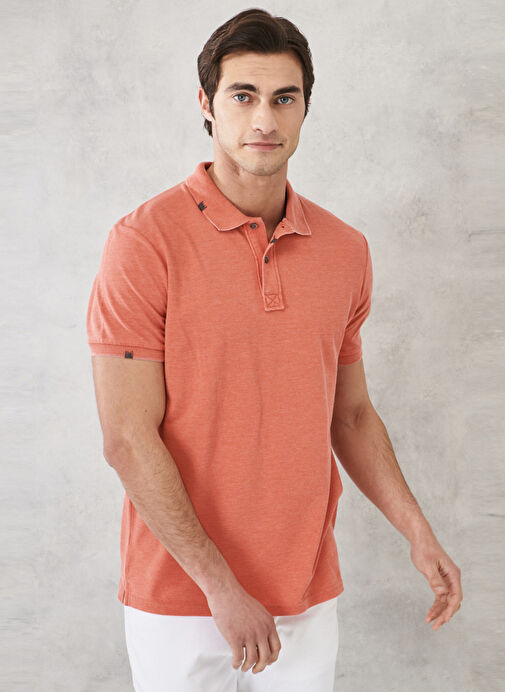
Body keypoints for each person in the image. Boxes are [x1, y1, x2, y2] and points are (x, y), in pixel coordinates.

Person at [86, 8, 463, 692]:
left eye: (284, 98)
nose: (264, 118)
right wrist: (221, 588)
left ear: (305, 109)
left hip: (304, 594)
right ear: (206, 104)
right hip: (180, 598)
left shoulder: (345, 251)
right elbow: (127, 439)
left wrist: (417, 530)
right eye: (243, 95)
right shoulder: (143, 242)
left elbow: (350, 415)